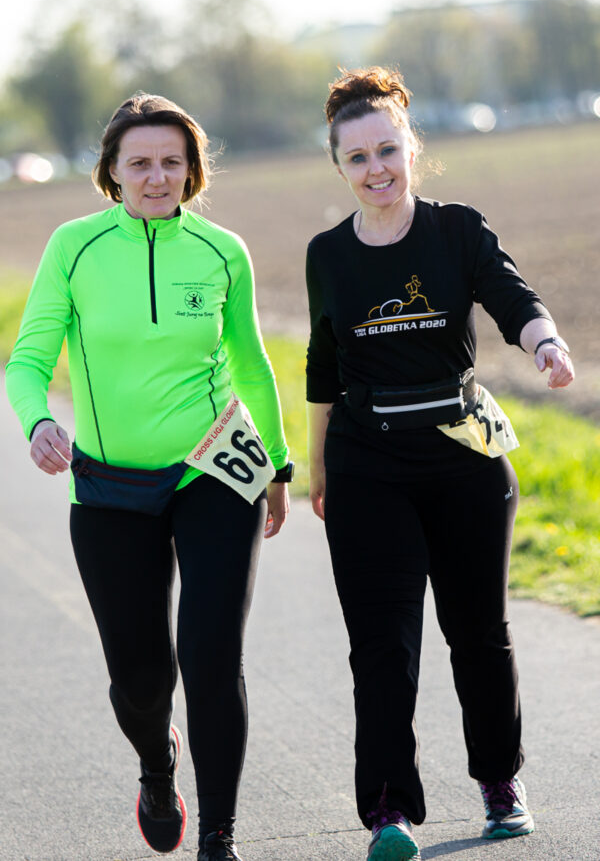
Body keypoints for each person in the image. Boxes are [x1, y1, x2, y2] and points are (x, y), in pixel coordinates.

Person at [6, 93, 295, 861]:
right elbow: (28, 361)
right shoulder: (74, 247)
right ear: (112, 170)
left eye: (172, 161)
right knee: (139, 677)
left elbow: (251, 365)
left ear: (193, 169)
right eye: (140, 162)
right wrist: (37, 422)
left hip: (215, 470)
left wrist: (277, 463)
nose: (157, 176)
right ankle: (157, 764)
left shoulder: (222, 251)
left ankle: (219, 837)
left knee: (211, 654)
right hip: (109, 487)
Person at [305, 67, 574, 861]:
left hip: (463, 455)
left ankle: (500, 782)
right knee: (381, 644)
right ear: (339, 165)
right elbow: (323, 366)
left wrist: (547, 344)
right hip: (366, 463)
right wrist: (317, 466)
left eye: (387, 150)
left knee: (478, 632)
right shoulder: (329, 254)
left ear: (411, 148)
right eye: (357, 157)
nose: (376, 169)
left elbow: (512, 295)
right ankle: (390, 810)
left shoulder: (457, 231)